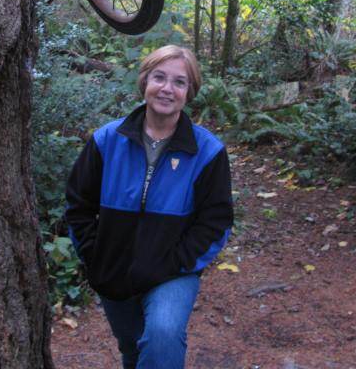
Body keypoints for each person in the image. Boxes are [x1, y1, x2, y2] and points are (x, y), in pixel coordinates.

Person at [65, 45, 233, 369]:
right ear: (144, 81)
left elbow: (216, 221)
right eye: (159, 77)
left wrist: (176, 261)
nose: (167, 88)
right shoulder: (106, 140)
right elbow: (78, 204)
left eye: (179, 82)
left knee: (163, 334)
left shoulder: (208, 152)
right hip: (113, 270)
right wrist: (94, 253)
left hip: (172, 273)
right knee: (133, 348)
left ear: (189, 92)